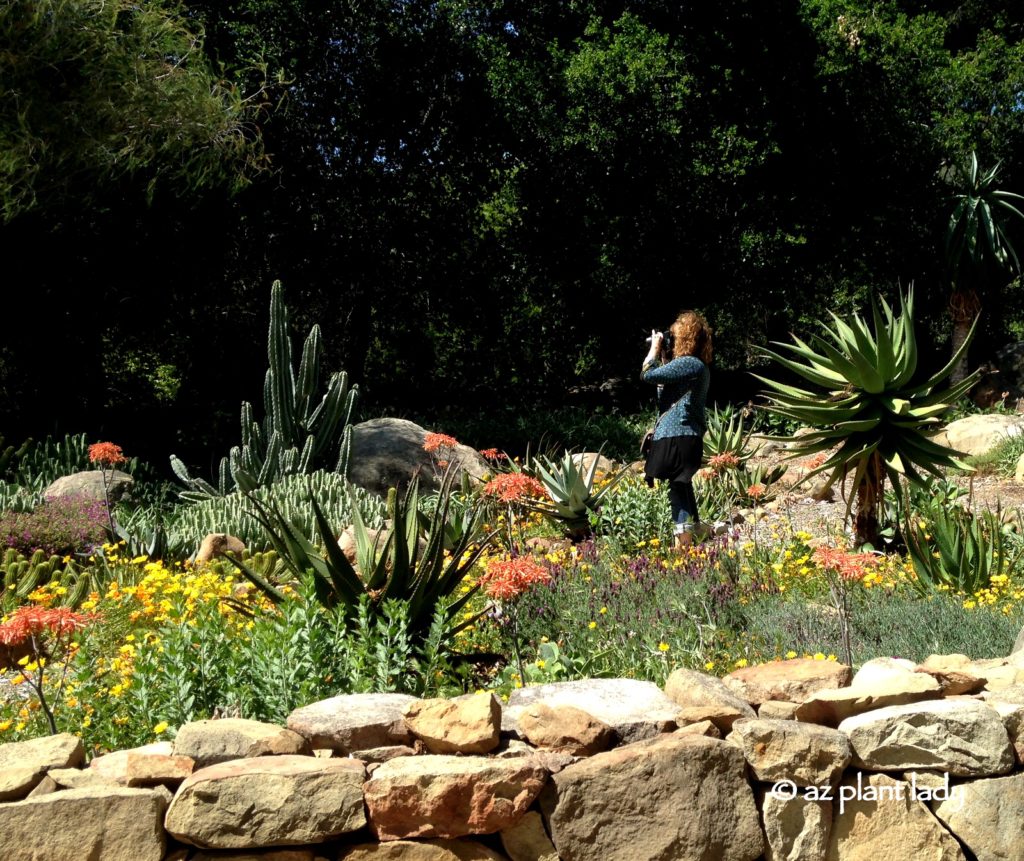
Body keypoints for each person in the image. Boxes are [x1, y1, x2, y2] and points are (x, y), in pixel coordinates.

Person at [641, 310, 713, 551]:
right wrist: (663, 358)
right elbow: (664, 397)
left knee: (677, 486)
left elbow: (647, 375)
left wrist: (653, 349)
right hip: (683, 435)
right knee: (681, 483)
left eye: (673, 337)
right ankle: (696, 531)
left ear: (685, 338)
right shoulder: (691, 367)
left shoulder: (690, 363)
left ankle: (683, 544)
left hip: (678, 435)